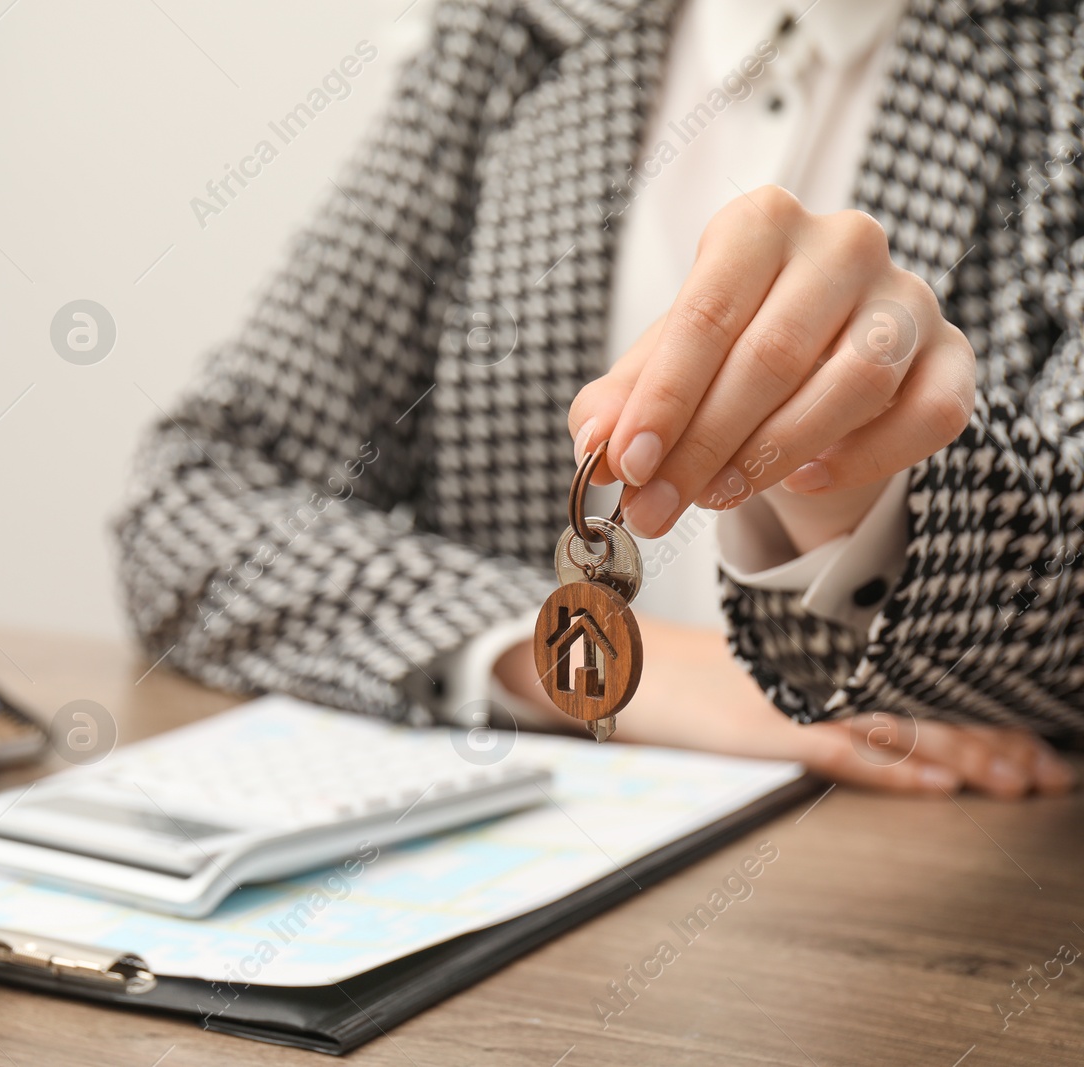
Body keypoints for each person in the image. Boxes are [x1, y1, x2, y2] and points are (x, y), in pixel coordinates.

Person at [115, 0, 1083, 798]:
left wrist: (855, 492)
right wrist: (600, 667)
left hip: (933, 895)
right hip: (535, 865)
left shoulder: (1058, 61)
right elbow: (193, 505)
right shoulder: (515, 34)